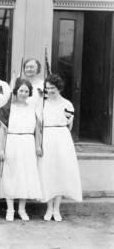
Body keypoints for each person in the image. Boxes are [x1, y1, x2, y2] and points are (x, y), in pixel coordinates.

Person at [38, 74, 82, 221]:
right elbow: (38, 125)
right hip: (47, 137)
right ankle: (49, 208)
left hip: (62, 137)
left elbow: (69, 125)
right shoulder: (42, 103)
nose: (50, 91)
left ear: (59, 88)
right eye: (48, 88)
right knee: (48, 172)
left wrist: (59, 136)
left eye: (53, 88)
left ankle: (57, 209)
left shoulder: (67, 104)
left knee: (60, 172)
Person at [0, 78, 42, 221]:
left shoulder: (33, 108)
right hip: (12, 143)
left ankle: (22, 209)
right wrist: (0, 149)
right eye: (21, 90)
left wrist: (38, 146)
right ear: (16, 91)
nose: (23, 93)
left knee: (25, 176)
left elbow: (37, 130)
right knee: (11, 176)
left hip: (28, 143)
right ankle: (10, 209)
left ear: (30, 93)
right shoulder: (7, 108)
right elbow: (2, 132)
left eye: (26, 91)